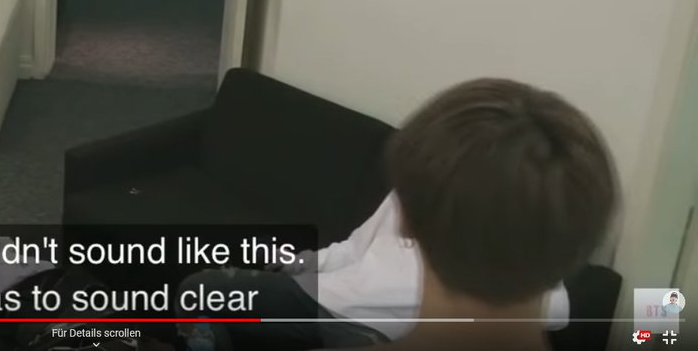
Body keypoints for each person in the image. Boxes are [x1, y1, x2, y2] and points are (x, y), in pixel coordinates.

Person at [176, 78, 616, 351]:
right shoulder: (557, 270)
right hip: (325, 294)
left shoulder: (425, 201)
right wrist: (306, 262)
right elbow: (354, 247)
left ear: (407, 223)